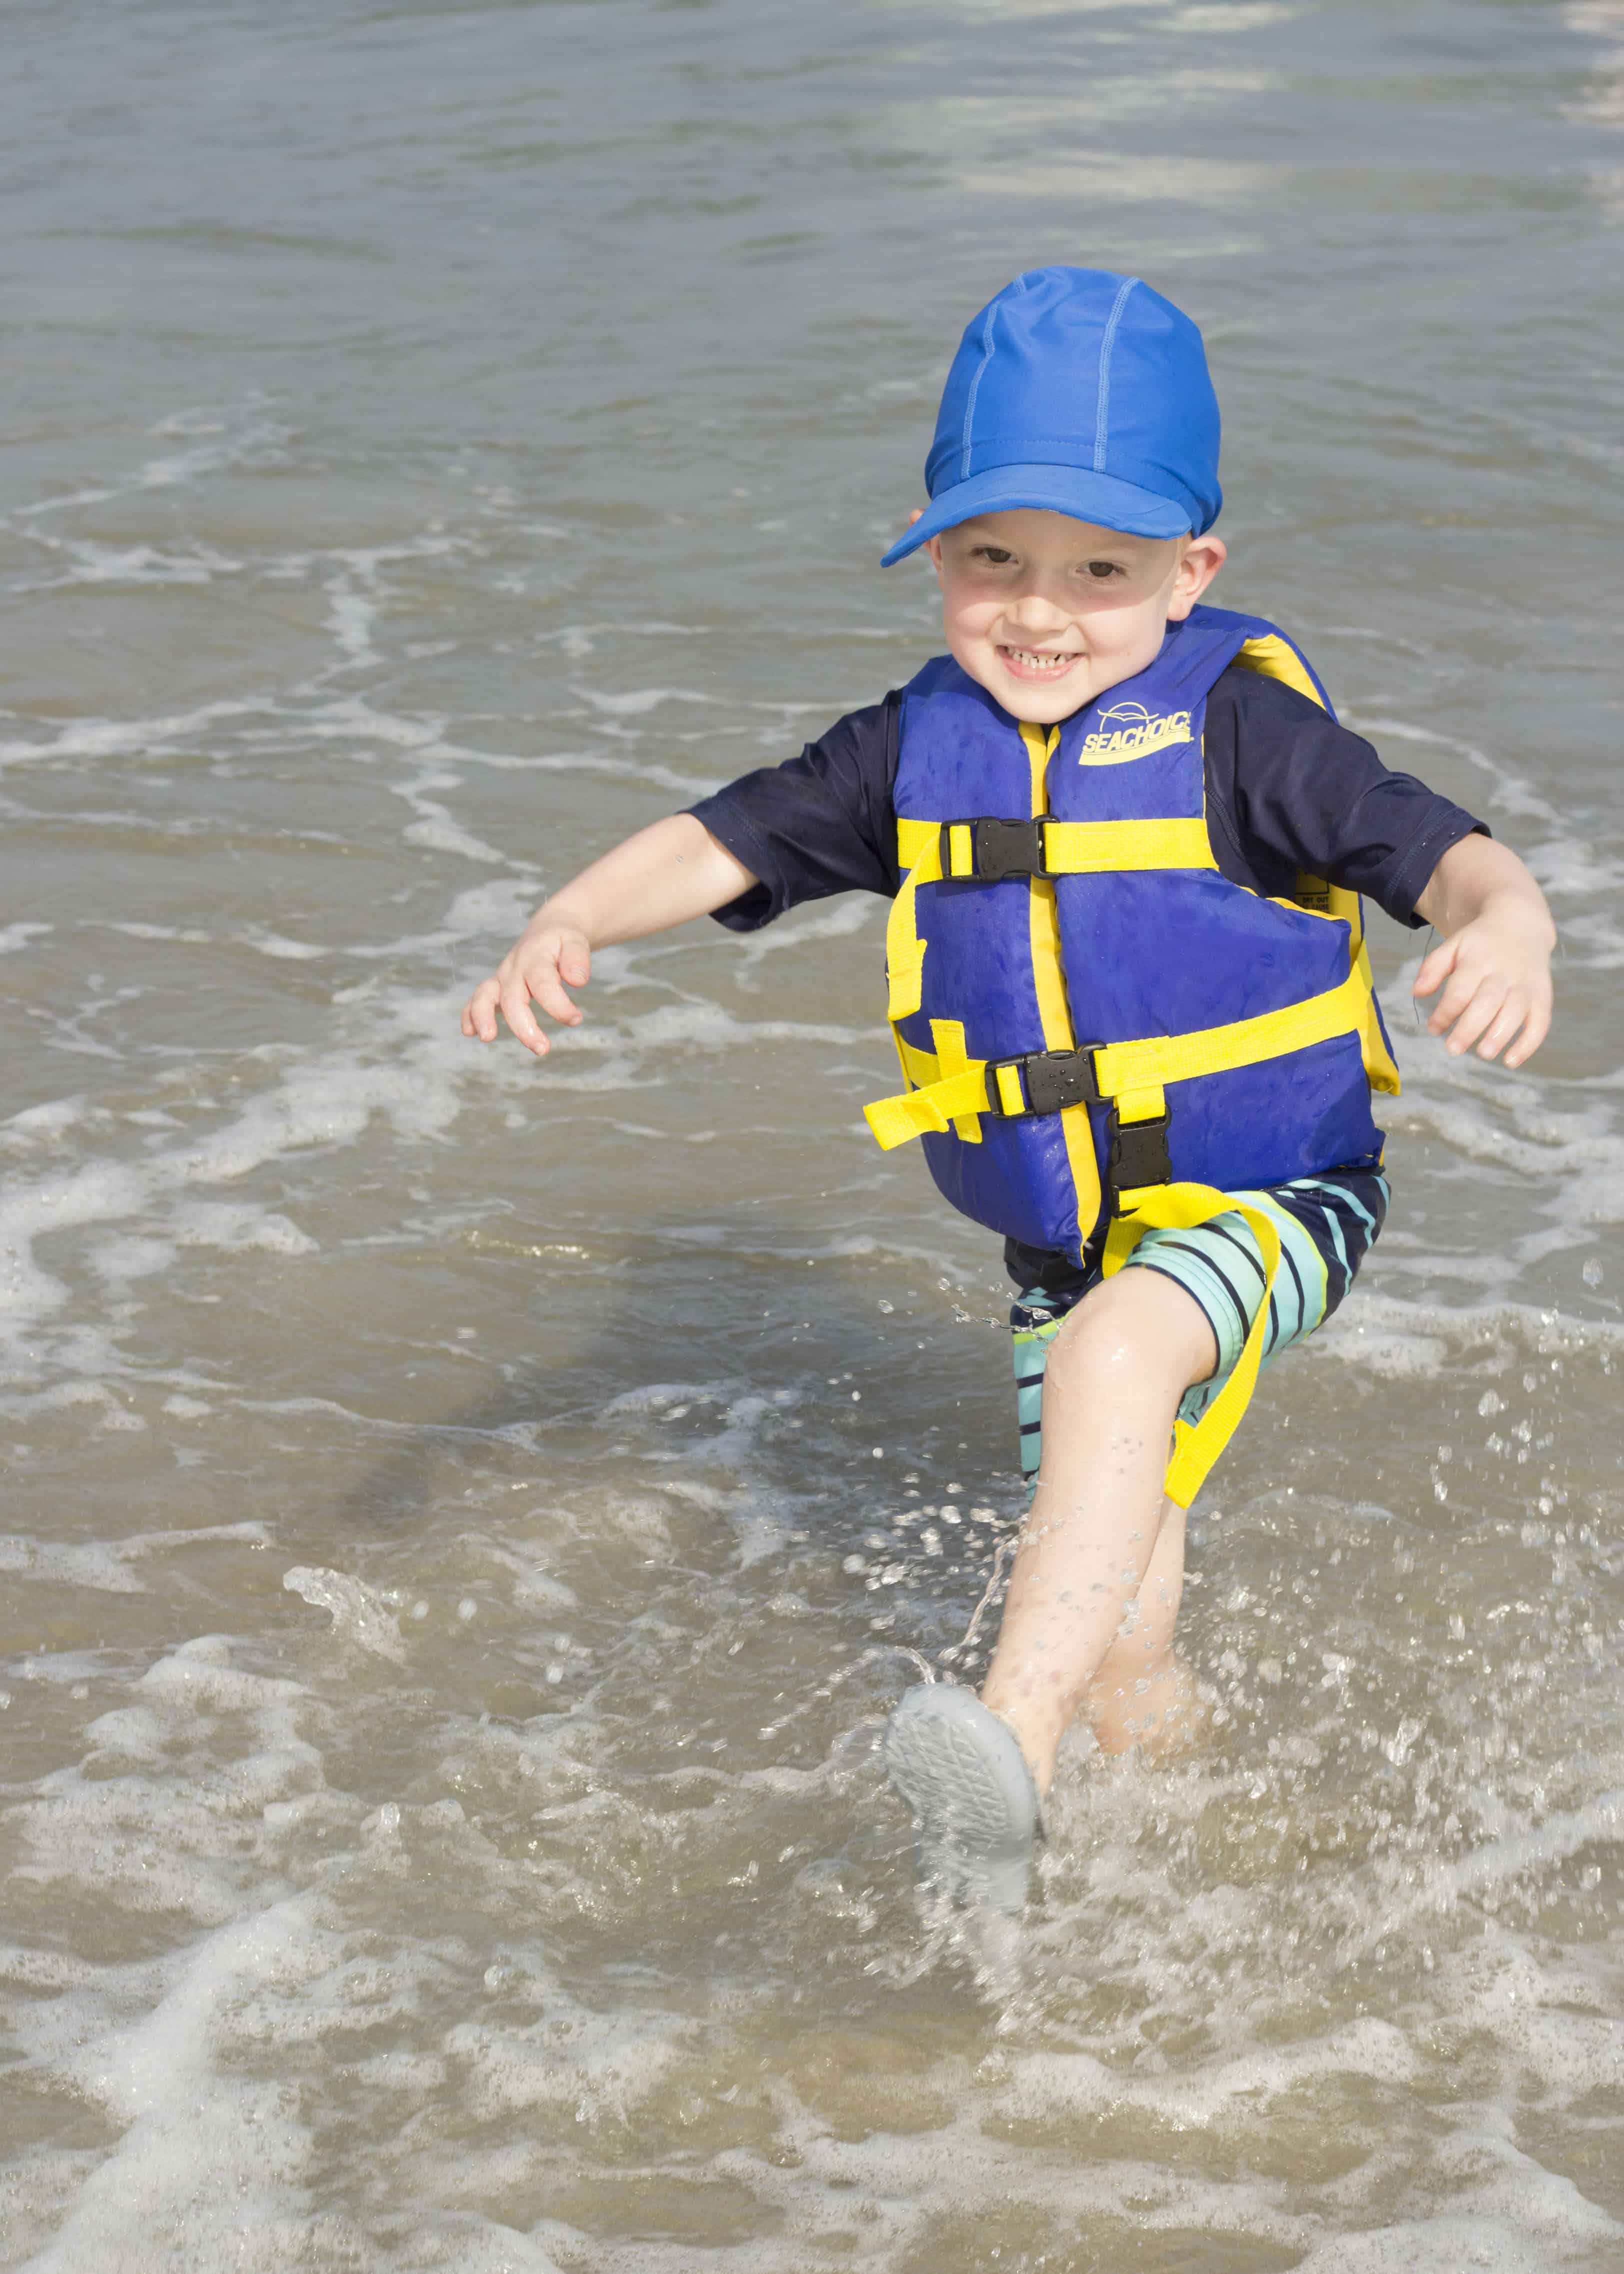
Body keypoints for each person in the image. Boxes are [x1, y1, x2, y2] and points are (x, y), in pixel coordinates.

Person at [462, 268, 1554, 1912]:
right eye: (993, 562)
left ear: (1195, 573)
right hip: (1066, 1239)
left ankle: (1008, 1741)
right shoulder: (914, 748)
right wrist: (567, 916)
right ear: (935, 550)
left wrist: (1512, 925)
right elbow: (722, 837)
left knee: (1126, 1358)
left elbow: (1450, 855)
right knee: (1126, 1624)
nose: (1039, 611)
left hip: (1275, 1198)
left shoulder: (1246, 738)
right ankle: (1202, 1873)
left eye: (1100, 571)